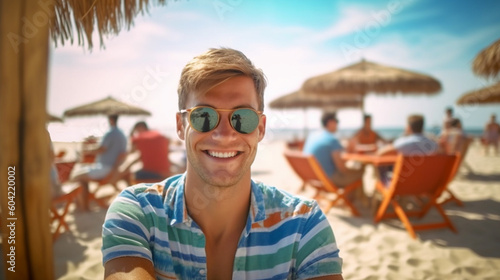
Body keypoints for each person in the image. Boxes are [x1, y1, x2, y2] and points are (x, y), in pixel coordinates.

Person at [102, 48, 344, 279]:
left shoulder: (303, 225)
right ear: (180, 125)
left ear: (260, 128)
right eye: (204, 115)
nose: (225, 134)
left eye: (243, 117)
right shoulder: (137, 215)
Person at [71, 114, 127, 210]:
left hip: (105, 168)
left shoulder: (110, 133)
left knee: (76, 176)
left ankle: (84, 206)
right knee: (81, 173)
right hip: (113, 169)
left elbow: (102, 149)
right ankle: (85, 201)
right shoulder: (122, 135)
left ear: (111, 120)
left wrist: (88, 150)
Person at [303, 111, 363, 188]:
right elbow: (342, 168)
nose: (338, 124)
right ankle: (356, 199)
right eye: (336, 121)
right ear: (330, 122)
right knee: (363, 172)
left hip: (313, 178)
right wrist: (351, 151)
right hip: (329, 180)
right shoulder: (331, 140)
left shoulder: (312, 136)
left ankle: (351, 197)